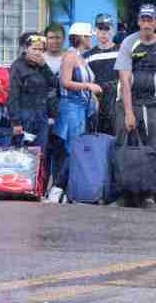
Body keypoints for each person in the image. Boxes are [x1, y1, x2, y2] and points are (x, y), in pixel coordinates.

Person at [115, 4, 156, 210]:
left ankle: (147, 196)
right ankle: (124, 195)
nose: (147, 24)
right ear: (138, 21)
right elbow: (124, 78)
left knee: (151, 149)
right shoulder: (129, 43)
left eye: (151, 20)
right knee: (124, 147)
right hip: (129, 103)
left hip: (153, 105)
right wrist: (129, 112)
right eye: (143, 20)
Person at [47, 22, 100, 203]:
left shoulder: (81, 57)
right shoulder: (70, 56)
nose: (91, 38)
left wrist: (91, 96)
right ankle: (57, 188)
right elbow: (65, 82)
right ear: (82, 37)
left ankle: (67, 189)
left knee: (75, 149)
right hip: (71, 107)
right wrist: (88, 86)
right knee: (71, 149)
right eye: (89, 36)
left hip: (82, 107)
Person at [8, 33, 58, 156]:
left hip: (42, 115)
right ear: (25, 49)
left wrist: (44, 66)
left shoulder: (42, 66)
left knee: (41, 153)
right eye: (34, 49)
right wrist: (16, 122)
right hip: (25, 116)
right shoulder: (18, 66)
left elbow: (54, 83)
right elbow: (13, 95)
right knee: (24, 154)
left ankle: (40, 176)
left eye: (40, 49)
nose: (37, 52)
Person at [84, 14, 119, 136]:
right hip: (96, 103)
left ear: (113, 30)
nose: (103, 33)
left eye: (107, 29)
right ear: (95, 31)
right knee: (96, 139)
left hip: (117, 105)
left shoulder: (122, 52)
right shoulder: (87, 56)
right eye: (100, 29)